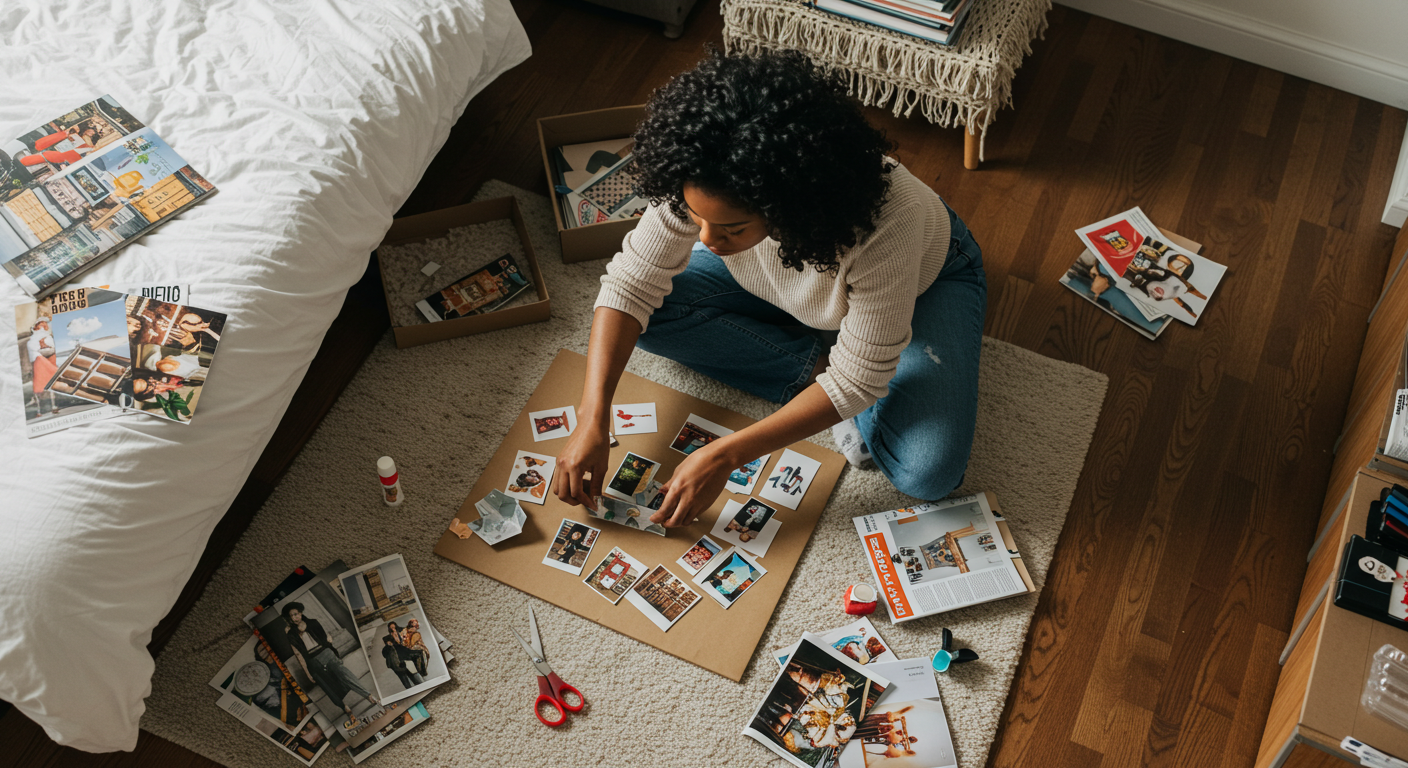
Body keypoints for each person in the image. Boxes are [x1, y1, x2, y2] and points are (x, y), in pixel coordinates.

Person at [554, 49, 985, 527]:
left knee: (928, 474)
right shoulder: (705, 170)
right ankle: (825, 361)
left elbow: (860, 381)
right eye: (694, 217)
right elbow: (630, 285)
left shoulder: (887, 222)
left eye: (730, 229)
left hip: (930, 278)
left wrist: (725, 455)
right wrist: (592, 417)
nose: (705, 240)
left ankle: (843, 355)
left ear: (788, 208)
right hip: (802, 291)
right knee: (649, 316)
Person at [281, 602, 378, 717]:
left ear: (301, 613)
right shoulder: (291, 633)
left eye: (296, 614)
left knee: (345, 674)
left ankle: (368, 696)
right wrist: (307, 672)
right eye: (291, 616)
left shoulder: (313, 623)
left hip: (326, 653)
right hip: (312, 662)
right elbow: (298, 654)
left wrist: (334, 653)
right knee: (328, 687)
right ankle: (345, 708)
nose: (294, 617)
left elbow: (327, 639)